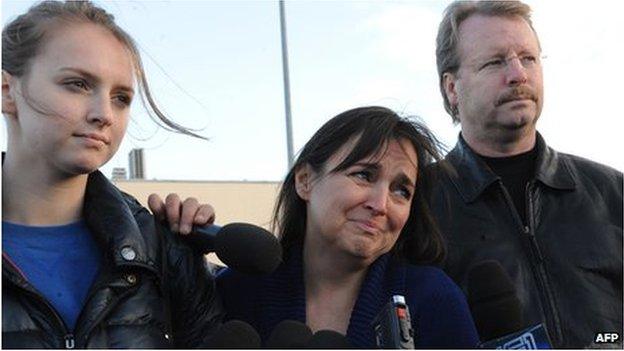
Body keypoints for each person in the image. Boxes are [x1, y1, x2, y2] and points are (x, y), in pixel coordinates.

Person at [2, 1, 222, 348]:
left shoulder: (162, 247)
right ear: (8, 91)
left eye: (121, 98)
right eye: (77, 84)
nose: (104, 114)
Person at [431, 0, 623, 348]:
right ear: (451, 88)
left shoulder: (613, 193)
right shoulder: (418, 207)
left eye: (529, 58)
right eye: (495, 62)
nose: (518, 74)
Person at [216, 106, 479, 348]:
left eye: (401, 191)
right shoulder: (234, 292)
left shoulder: (434, 298)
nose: (381, 204)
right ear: (305, 181)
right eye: (364, 175)